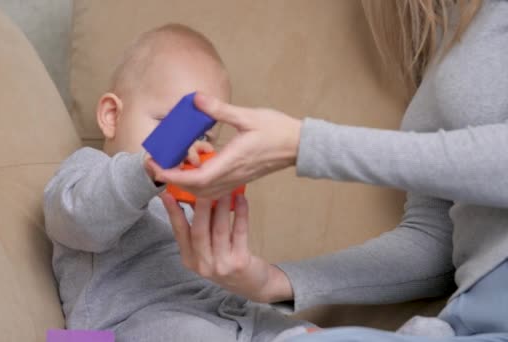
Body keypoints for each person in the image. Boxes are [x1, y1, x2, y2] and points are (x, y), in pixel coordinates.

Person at [149, 1, 508, 341]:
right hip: (473, 321)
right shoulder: (450, 33)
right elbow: (435, 237)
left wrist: (305, 145)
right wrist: (272, 281)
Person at [43, 24, 312, 342]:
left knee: (304, 331)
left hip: (224, 310)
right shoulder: (89, 169)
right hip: (139, 319)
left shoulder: (186, 195)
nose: (188, 146)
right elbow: (80, 222)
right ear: (112, 116)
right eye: (172, 126)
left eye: (204, 136)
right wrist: (149, 165)